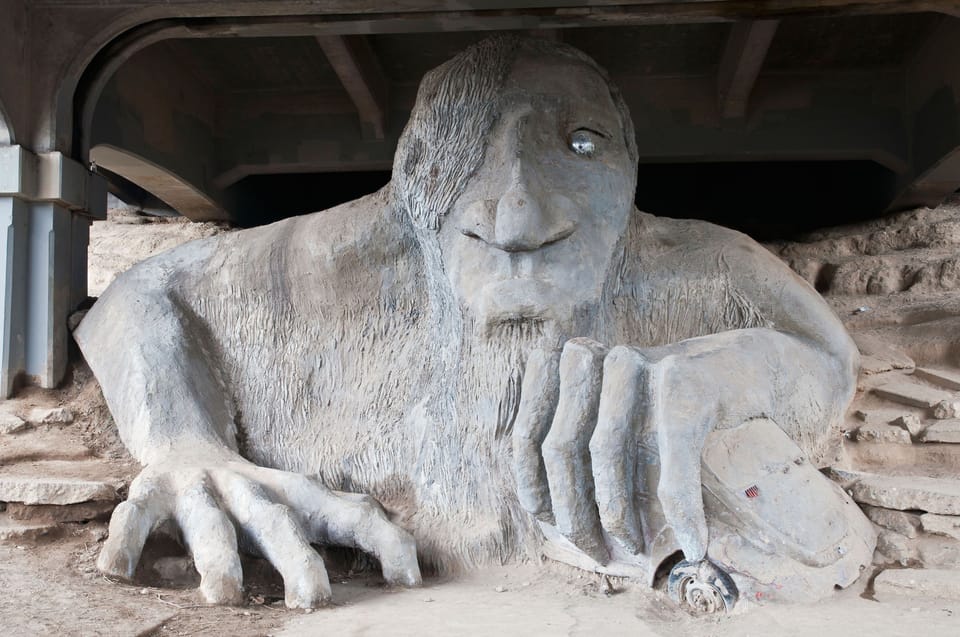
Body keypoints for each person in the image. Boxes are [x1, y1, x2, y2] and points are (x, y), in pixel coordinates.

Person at [76, 36, 859, 608]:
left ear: (629, 170)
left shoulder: (687, 261)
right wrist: (184, 442)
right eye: (464, 155)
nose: (517, 213)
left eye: (580, 145)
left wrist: (731, 369)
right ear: (414, 182)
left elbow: (828, 352)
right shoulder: (360, 249)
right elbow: (140, 296)